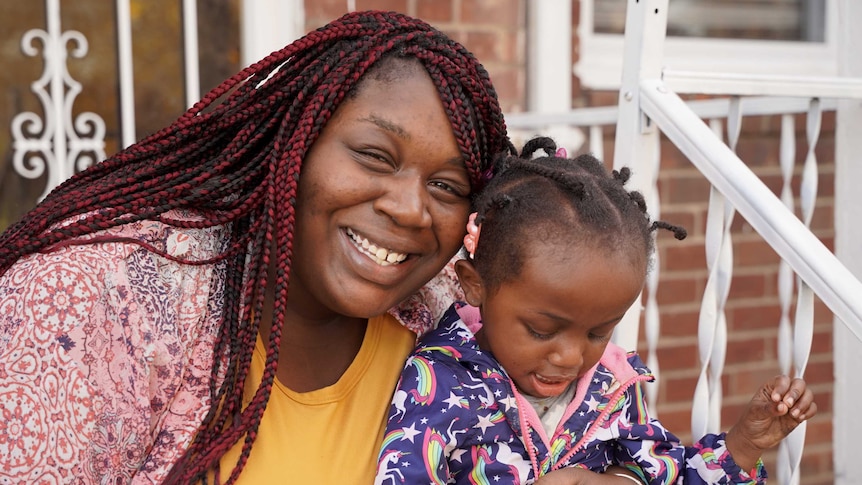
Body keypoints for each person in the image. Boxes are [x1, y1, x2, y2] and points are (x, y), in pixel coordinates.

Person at [0, 10, 515, 485]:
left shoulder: (459, 320)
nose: (409, 209)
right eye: (374, 155)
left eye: (446, 186)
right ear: (291, 143)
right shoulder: (94, 302)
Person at [373, 137, 817, 485]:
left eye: (598, 333)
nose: (571, 357)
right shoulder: (437, 384)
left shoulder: (615, 385)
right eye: (543, 330)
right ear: (475, 285)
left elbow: (668, 472)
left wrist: (742, 444)